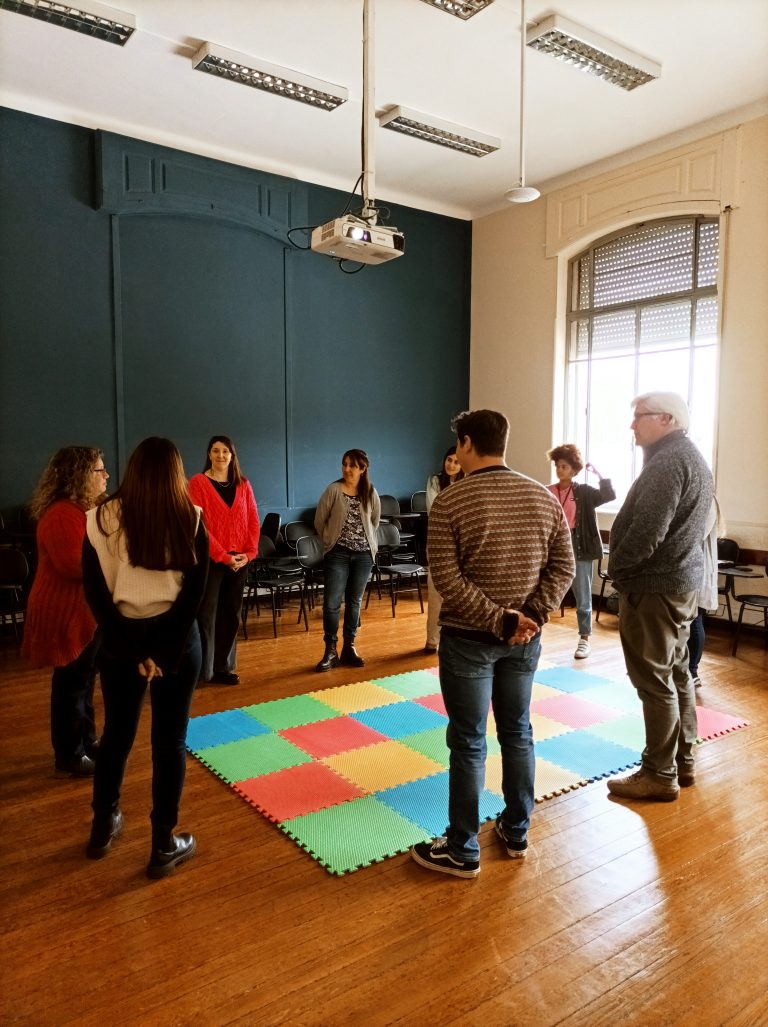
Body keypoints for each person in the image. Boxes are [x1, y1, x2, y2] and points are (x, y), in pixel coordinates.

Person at [410, 410, 574, 878]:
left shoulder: (450, 501)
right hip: (524, 640)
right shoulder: (542, 497)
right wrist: (530, 617)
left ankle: (462, 847)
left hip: (469, 641)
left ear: (465, 443)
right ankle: (517, 829)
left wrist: (502, 621)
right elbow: (563, 567)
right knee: (518, 731)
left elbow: (446, 579)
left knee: (468, 742)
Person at [82, 437, 209, 878]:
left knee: (117, 735)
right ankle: (163, 843)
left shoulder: (99, 518)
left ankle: (102, 827)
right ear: (176, 473)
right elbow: (193, 595)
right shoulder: (190, 516)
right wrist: (164, 650)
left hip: (122, 641)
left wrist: (134, 650)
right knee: (169, 742)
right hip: (176, 640)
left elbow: (96, 595)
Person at [607, 392, 714, 802]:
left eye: (640, 417)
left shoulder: (668, 462)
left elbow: (647, 533)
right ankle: (682, 762)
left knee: (654, 681)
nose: (632, 425)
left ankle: (658, 773)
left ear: (666, 419)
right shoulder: (691, 457)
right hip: (678, 584)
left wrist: (617, 569)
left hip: (654, 588)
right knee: (677, 672)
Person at [22, 447, 109, 776]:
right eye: (99, 470)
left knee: (84, 681)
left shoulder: (80, 510)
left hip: (82, 609)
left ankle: (87, 741)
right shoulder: (61, 514)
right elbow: (73, 565)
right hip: (64, 610)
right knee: (71, 684)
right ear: (80, 475)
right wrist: (113, 561)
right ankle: (70, 755)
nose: (106, 475)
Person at [189, 435, 260, 685]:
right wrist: (222, 556)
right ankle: (203, 671)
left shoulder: (243, 484)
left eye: (225, 451)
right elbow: (200, 527)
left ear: (232, 456)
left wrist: (249, 554)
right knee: (206, 615)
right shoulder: (198, 483)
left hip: (239, 561)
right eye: (216, 451)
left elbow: (253, 521)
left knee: (231, 614)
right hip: (211, 561)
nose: (221, 455)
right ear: (209, 454)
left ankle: (223, 667)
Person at [314, 449, 381, 672]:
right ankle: (330, 650)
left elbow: (374, 521)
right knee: (332, 603)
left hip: (363, 556)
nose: (347, 469)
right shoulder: (333, 490)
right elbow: (319, 521)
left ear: (363, 469)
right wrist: (330, 542)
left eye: (352, 465)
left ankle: (349, 647)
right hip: (338, 554)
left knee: (354, 601)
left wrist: (365, 545)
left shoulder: (370, 492)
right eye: (344, 464)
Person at [546, 444, 615, 660]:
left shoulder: (584, 492)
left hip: (579, 546)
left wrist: (599, 475)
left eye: (564, 466)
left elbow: (608, 495)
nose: (559, 470)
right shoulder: (548, 491)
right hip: (555, 544)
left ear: (574, 470)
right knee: (543, 589)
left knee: (583, 594)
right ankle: (532, 633)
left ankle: (584, 639)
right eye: (557, 466)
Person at [424, 446, 464, 653]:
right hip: (438, 543)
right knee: (435, 593)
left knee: (459, 595)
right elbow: (434, 510)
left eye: (456, 462)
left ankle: (456, 640)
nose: (451, 465)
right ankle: (432, 640)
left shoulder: (467, 483)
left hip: (461, 544)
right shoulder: (434, 481)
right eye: (449, 460)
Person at [688, 498, 721, 688]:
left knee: (695, 619)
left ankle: (692, 671)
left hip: (699, 569)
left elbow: (695, 534)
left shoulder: (708, 502)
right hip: (689, 568)